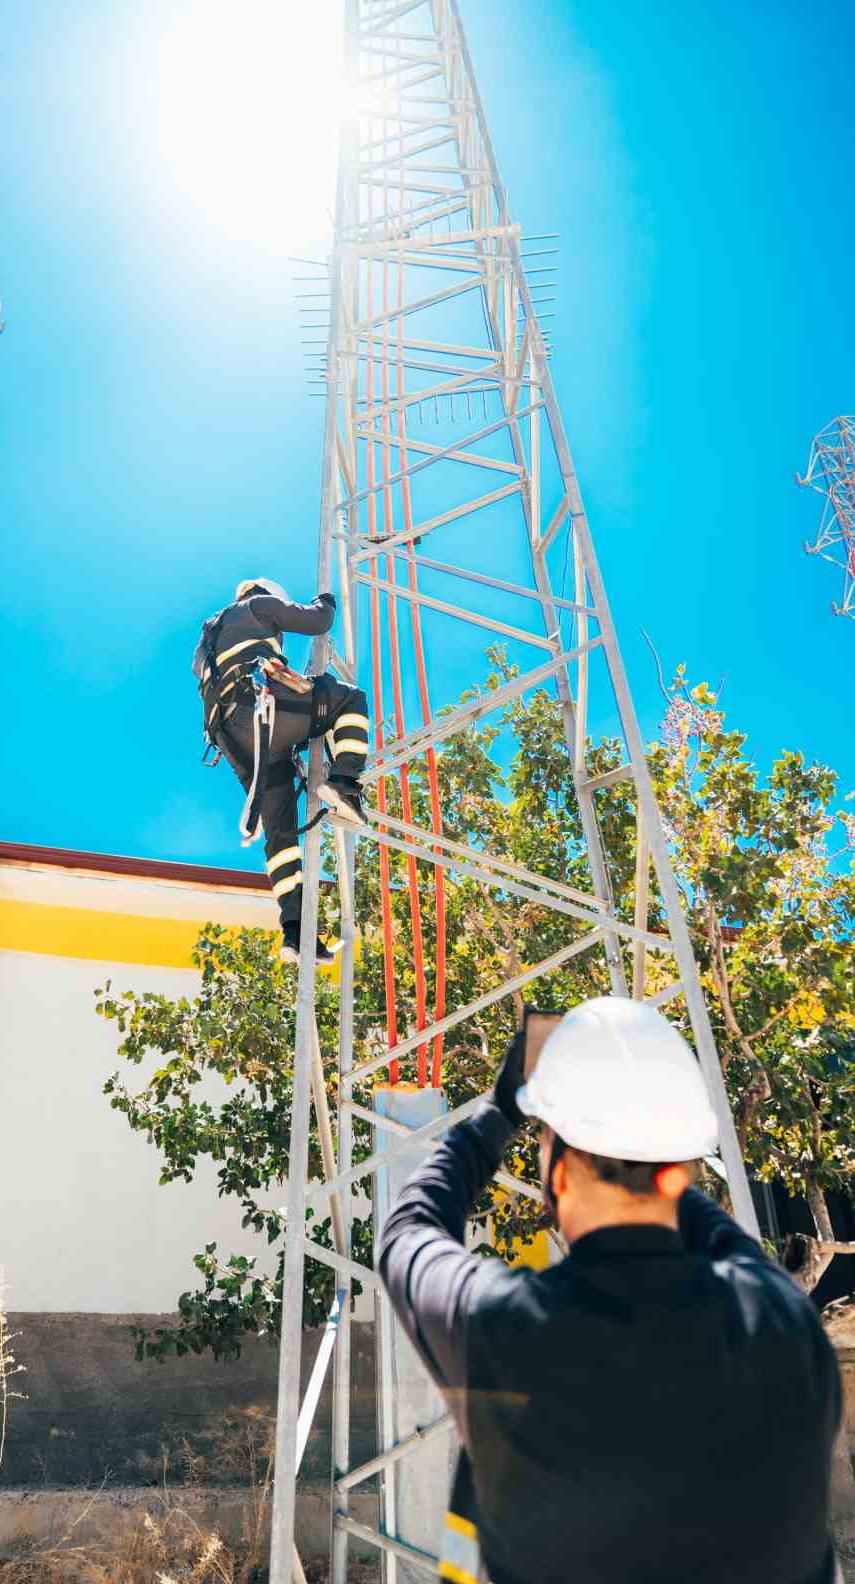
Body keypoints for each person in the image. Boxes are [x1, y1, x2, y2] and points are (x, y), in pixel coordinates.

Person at [377, 996, 842, 1584]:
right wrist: (647, 1152)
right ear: (679, 1169)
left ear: (559, 1174)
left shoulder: (509, 1330)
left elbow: (409, 1230)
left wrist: (500, 1112)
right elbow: (728, 1244)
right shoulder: (788, 1326)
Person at [194, 577, 369, 964]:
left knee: (279, 834)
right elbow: (317, 621)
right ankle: (345, 783)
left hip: (236, 740)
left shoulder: (207, 641)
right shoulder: (258, 606)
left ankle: (296, 931)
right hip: (260, 710)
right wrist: (326, 600)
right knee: (349, 701)